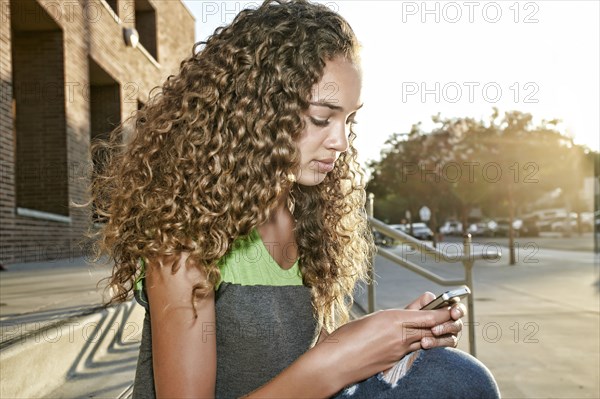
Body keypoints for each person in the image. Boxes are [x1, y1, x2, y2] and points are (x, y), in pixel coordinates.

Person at [87, 0, 501, 397]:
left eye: (348, 119)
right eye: (322, 118)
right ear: (257, 110)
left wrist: (381, 338)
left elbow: (302, 355)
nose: (340, 141)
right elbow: (320, 369)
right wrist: (340, 359)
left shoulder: (305, 212)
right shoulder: (184, 235)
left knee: (457, 378)